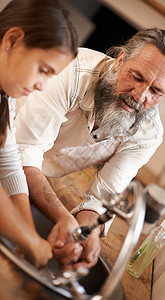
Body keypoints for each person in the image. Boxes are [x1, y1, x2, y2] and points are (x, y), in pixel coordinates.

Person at [15, 27, 165, 270]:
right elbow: (23, 152)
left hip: (30, 181)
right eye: (137, 77)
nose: (140, 97)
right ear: (120, 60)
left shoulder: (147, 135)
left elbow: (100, 200)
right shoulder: (70, 70)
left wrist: (87, 233)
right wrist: (62, 217)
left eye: (156, 91)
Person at [0, 0, 78, 268]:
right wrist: (30, 242)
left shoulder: (5, 93)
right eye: (43, 70)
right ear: (12, 40)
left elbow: (7, 162)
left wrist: (29, 234)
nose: (42, 85)